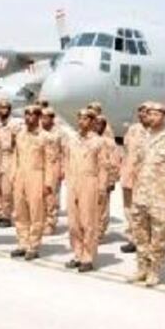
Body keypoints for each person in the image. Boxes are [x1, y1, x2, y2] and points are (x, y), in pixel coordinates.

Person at [127, 102, 165, 287]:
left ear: (163, 116)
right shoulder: (143, 138)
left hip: (161, 196)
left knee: (159, 236)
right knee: (140, 234)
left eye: (154, 114)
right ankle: (142, 267)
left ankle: (155, 270)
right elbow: (137, 166)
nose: (150, 117)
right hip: (141, 195)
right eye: (148, 114)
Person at [64, 109, 110, 272]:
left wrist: (102, 188)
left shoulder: (99, 142)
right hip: (73, 182)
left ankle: (88, 257)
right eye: (80, 118)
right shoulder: (71, 140)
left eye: (85, 119)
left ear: (92, 122)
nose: (81, 122)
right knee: (73, 223)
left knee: (88, 222)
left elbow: (104, 167)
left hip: (90, 181)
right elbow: (67, 161)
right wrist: (68, 180)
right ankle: (77, 254)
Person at [10, 105, 58, 261]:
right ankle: (22, 243)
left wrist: (48, 183)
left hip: (37, 176)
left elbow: (50, 162)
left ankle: (33, 245)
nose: (29, 118)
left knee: (36, 213)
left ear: (38, 117)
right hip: (20, 176)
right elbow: (15, 157)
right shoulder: (20, 135)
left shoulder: (46, 137)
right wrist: (13, 176)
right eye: (27, 115)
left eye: (32, 115)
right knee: (20, 212)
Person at [119, 102, 149, 253]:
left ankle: (144, 239)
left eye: (146, 111)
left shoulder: (155, 133)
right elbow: (126, 151)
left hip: (145, 178)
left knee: (143, 210)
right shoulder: (133, 130)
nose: (143, 114)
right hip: (129, 175)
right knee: (129, 208)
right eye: (140, 111)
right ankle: (133, 238)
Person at [0, 99, 19, 227]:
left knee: (7, 190)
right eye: (1, 108)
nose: (3, 110)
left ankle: (7, 216)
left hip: (8, 158)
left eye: (6, 108)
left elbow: (16, 144)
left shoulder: (14, 124)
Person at [93, 114, 120, 239]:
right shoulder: (89, 141)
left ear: (104, 126)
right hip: (89, 179)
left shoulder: (109, 143)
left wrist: (112, 180)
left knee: (102, 206)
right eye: (95, 123)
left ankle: (100, 231)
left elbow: (115, 163)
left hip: (103, 179)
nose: (97, 126)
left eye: (100, 124)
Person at [41, 107, 64, 235]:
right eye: (42, 117)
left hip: (54, 165)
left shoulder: (59, 133)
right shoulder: (38, 131)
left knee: (51, 196)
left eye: (46, 117)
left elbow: (65, 151)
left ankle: (50, 222)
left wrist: (63, 168)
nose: (43, 120)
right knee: (39, 195)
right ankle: (41, 221)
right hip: (39, 166)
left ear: (52, 118)